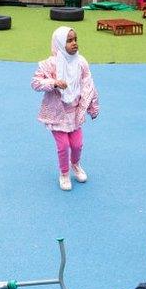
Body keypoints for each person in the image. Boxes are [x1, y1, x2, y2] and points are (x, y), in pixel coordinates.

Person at [31, 26, 100, 191]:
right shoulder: (51, 64)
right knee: (63, 146)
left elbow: (88, 85)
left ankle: (75, 165)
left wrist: (93, 107)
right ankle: (64, 173)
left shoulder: (81, 62)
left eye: (75, 39)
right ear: (60, 43)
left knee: (77, 144)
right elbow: (35, 82)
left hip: (75, 114)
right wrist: (53, 83)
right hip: (58, 114)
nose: (74, 43)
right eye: (69, 41)